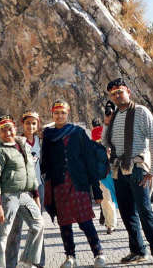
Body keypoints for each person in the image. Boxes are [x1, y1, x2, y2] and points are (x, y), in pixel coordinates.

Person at [104, 78, 153, 265]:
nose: (117, 96)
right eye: (113, 94)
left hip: (138, 168)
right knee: (126, 212)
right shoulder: (113, 117)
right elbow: (105, 143)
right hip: (118, 170)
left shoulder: (141, 111)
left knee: (144, 210)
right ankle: (138, 250)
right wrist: (106, 123)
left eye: (120, 92)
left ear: (128, 91)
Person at [41, 99, 106, 268]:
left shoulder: (78, 132)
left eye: (63, 112)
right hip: (59, 185)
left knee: (85, 222)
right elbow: (45, 162)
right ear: (52, 114)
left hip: (78, 184)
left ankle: (98, 253)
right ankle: (70, 257)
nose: (60, 115)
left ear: (67, 113)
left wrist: (96, 190)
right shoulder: (48, 135)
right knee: (65, 224)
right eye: (56, 112)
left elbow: (89, 161)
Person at [0, 115, 44, 268]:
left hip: (25, 194)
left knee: (38, 224)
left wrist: (36, 195)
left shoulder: (23, 145)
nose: (7, 133)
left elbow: (30, 171)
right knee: (2, 232)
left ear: (15, 128)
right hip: (7, 196)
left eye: (9, 129)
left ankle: (26, 262)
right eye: (2, 130)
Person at [5, 111, 45, 268]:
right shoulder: (17, 142)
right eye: (28, 123)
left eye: (34, 123)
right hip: (19, 190)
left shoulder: (40, 141)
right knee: (15, 229)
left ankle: (38, 262)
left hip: (37, 187)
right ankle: (11, 264)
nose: (31, 126)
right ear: (22, 124)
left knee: (37, 225)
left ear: (38, 124)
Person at [97, 101, 118, 234]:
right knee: (106, 199)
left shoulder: (122, 128)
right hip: (104, 171)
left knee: (115, 198)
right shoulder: (100, 131)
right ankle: (110, 224)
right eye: (107, 113)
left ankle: (109, 219)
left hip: (118, 168)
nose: (109, 115)